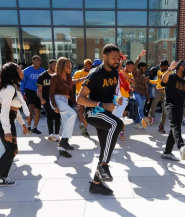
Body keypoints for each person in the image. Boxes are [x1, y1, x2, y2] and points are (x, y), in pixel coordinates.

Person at [77, 44, 124, 195]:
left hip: (105, 112)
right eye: (114, 58)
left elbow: (110, 92)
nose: (117, 60)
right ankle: (104, 166)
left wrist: (117, 100)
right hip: (93, 112)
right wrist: (101, 104)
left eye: (118, 58)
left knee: (106, 147)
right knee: (117, 124)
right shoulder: (95, 75)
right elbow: (80, 99)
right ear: (105, 56)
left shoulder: (115, 72)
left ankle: (96, 183)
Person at [0, 63, 29, 197]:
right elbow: (4, 110)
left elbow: (14, 108)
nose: (22, 72)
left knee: (13, 150)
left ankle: (3, 178)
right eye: (20, 70)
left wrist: (22, 123)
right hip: (3, 121)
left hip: (9, 119)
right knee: (10, 150)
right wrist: (7, 131)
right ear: (14, 73)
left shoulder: (11, 86)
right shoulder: (8, 88)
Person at [50, 57, 77, 158]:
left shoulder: (69, 77)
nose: (70, 68)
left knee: (66, 124)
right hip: (57, 99)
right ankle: (65, 141)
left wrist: (76, 103)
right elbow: (51, 94)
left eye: (70, 65)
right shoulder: (55, 77)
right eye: (67, 66)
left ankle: (62, 148)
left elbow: (71, 93)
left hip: (65, 100)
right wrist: (55, 106)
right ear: (62, 66)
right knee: (73, 114)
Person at [37, 59, 61, 142]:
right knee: (49, 114)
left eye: (56, 65)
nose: (55, 66)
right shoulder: (42, 76)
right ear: (49, 65)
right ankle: (51, 134)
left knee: (57, 116)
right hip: (46, 99)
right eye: (54, 64)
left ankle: (57, 135)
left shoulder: (59, 75)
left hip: (57, 99)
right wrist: (41, 99)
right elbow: (39, 90)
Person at [21, 55, 45, 134]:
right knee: (30, 108)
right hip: (29, 90)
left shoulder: (43, 71)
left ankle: (35, 127)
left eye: (40, 60)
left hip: (39, 91)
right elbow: (23, 82)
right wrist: (22, 93)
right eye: (37, 60)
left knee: (37, 109)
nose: (39, 62)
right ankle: (29, 126)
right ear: (33, 61)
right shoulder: (26, 70)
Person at [72, 59, 93, 138]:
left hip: (90, 96)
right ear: (83, 65)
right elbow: (71, 81)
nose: (87, 67)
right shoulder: (78, 73)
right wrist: (80, 80)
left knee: (87, 113)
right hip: (80, 95)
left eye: (89, 65)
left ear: (91, 66)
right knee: (80, 111)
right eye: (86, 65)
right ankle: (82, 126)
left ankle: (84, 127)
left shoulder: (92, 73)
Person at [148, 60, 169, 133]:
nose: (160, 67)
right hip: (158, 90)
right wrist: (149, 81)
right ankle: (149, 117)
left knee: (164, 110)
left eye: (162, 66)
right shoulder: (159, 72)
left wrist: (163, 89)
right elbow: (158, 81)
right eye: (160, 66)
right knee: (154, 103)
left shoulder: (170, 73)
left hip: (165, 93)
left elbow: (171, 85)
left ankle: (161, 126)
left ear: (166, 66)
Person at [132, 50, 150, 129]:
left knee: (141, 108)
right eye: (144, 67)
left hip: (143, 95)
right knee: (140, 107)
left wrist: (148, 97)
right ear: (140, 68)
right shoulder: (135, 73)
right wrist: (139, 57)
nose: (145, 69)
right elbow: (134, 66)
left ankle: (136, 123)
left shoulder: (144, 77)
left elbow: (146, 87)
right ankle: (143, 122)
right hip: (136, 93)